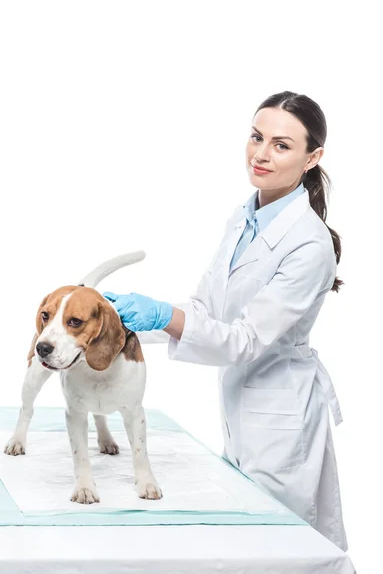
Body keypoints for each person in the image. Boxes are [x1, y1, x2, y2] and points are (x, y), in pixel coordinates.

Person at [103, 91, 348, 551]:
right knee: (246, 542)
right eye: (256, 137)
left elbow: (244, 341)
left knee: (281, 551)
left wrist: (162, 315)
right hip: (243, 410)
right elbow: (205, 311)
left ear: (313, 157)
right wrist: (122, 324)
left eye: (281, 145)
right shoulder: (244, 217)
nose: (260, 153)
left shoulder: (309, 245)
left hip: (282, 420)